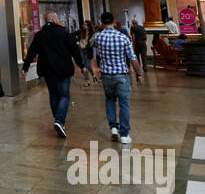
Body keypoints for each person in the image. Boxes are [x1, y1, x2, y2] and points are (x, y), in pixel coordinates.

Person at [23, 10, 88, 138]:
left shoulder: (40, 35)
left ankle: (59, 122)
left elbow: (32, 51)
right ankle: (59, 121)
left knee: (53, 96)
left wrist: (25, 66)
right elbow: (75, 51)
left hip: (47, 70)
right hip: (63, 70)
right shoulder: (64, 33)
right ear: (53, 19)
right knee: (64, 96)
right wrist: (82, 65)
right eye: (57, 18)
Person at [91, 11, 143, 144]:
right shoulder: (123, 37)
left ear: (101, 23)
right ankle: (124, 134)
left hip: (107, 76)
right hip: (122, 76)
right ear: (113, 22)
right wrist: (138, 73)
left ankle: (113, 127)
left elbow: (90, 46)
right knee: (124, 104)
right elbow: (133, 58)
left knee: (109, 100)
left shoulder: (97, 37)